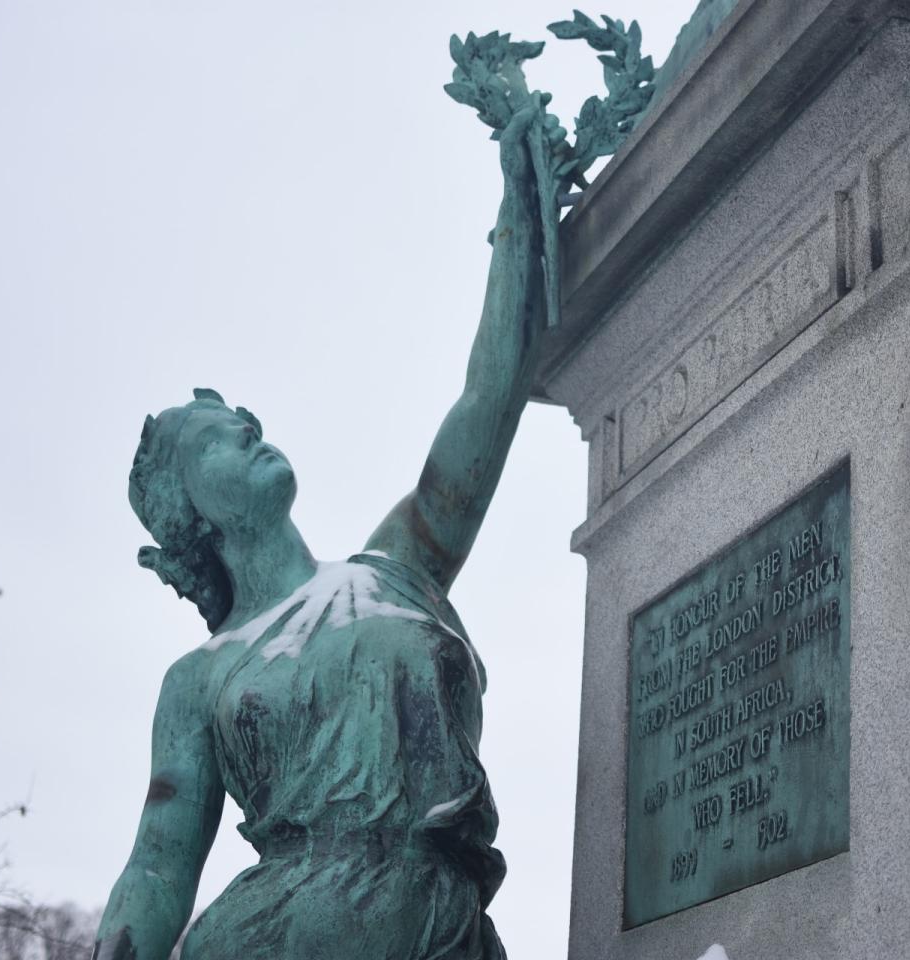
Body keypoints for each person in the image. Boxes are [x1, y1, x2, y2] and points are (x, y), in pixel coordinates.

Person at [93, 105, 548, 960]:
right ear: (190, 516)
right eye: (212, 440)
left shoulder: (394, 568)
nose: (248, 428)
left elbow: (490, 397)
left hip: (433, 925)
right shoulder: (199, 679)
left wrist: (520, 216)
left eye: (243, 417)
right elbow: (156, 871)